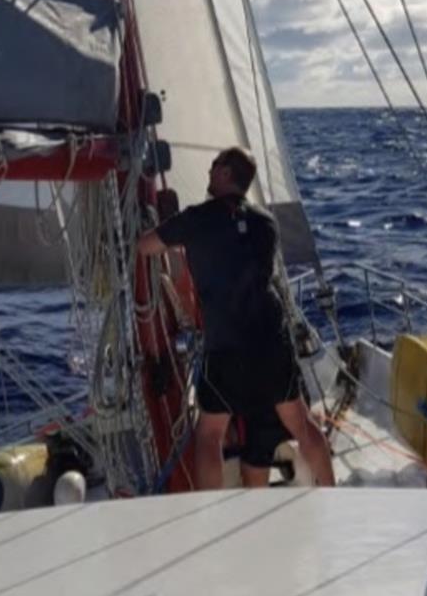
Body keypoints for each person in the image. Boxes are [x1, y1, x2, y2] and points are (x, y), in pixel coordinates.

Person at [136, 146, 335, 490]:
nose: (209, 172)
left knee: (210, 435)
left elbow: (146, 247)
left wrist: (159, 229)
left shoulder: (196, 219)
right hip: (272, 340)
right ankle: (334, 494)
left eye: (215, 166)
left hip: (226, 345)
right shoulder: (266, 222)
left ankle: (209, 510)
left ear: (227, 174)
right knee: (302, 426)